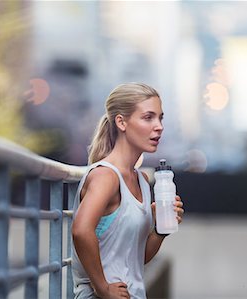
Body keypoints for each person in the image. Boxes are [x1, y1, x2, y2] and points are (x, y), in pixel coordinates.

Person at [71, 82, 184, 299]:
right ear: (121, 122)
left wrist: (160, 230)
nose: (159, 126)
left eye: (160, 118)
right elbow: (80, 230)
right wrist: (103, 288)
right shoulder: (106, 176)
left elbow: (134, 259)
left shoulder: (141, 179)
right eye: (148, 117)